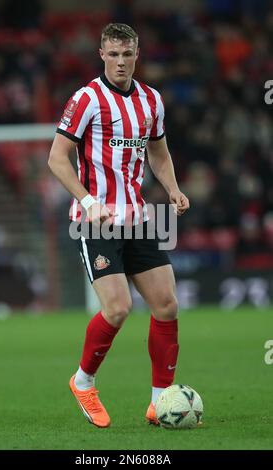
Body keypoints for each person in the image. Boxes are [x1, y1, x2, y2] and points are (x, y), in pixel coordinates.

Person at [48, 23, 190, 428]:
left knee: (166, 304)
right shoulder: (86, 99)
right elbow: (57, 159)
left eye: (127, 54)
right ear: (102, 54)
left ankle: (161, 400)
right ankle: (83, 381)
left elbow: (159, 154)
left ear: (137, 55)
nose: (121, 62)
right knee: (118, 308)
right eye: (113, 54)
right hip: (96, 221)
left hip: (140, 218)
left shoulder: (151, 101)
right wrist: (89, 201)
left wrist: (174, 190)